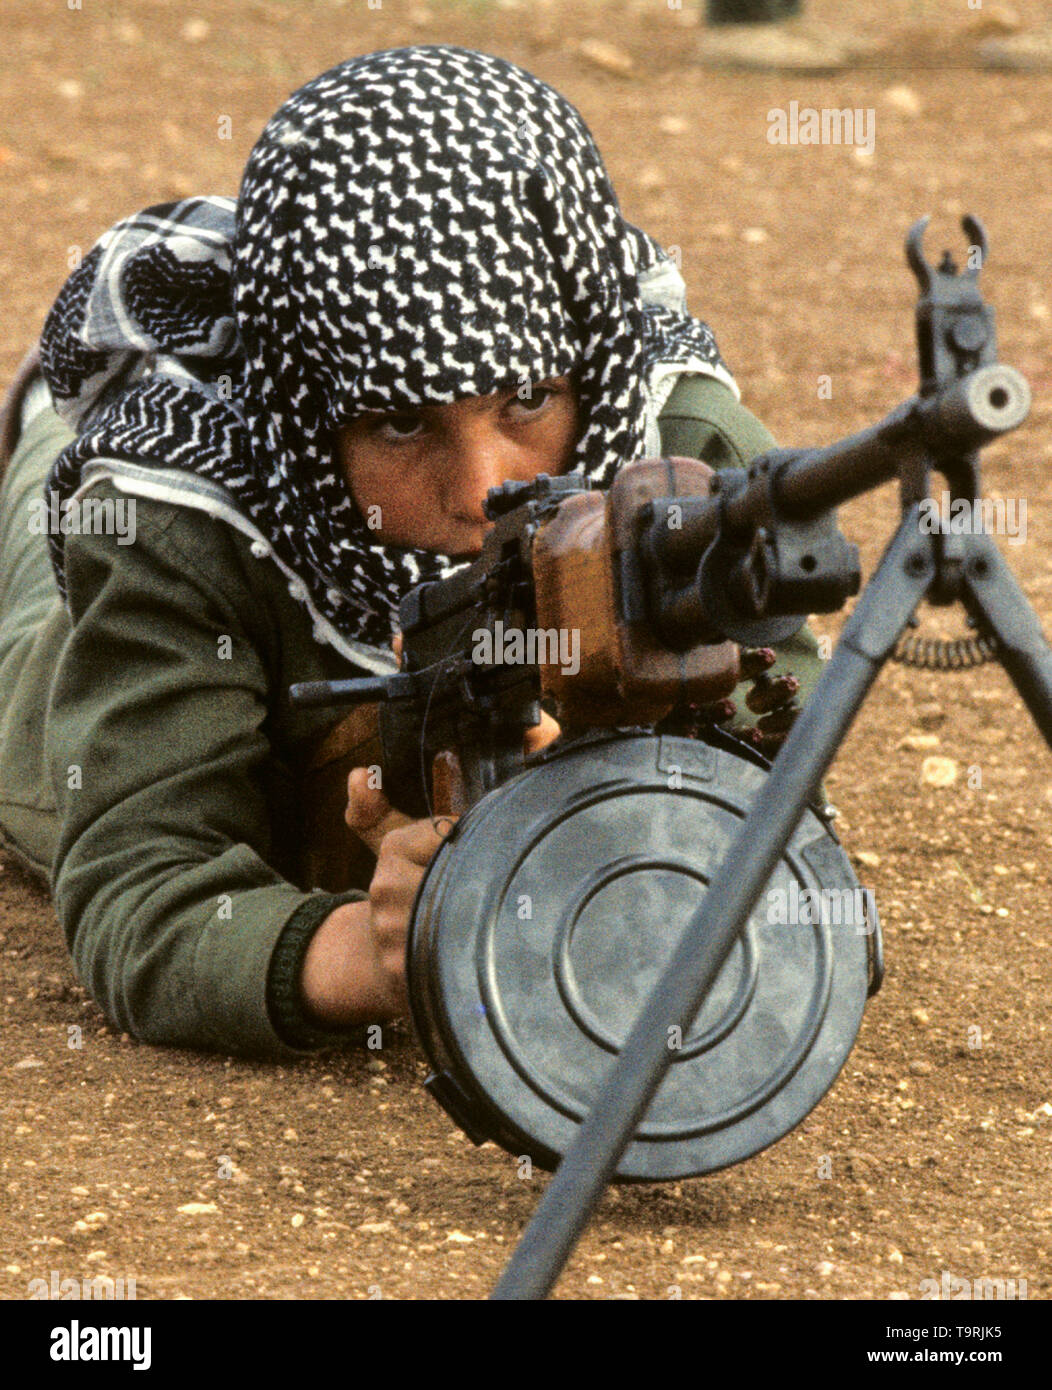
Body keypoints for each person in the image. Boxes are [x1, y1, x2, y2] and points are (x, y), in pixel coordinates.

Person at [0, 45, 821, 1059]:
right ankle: (44, 403)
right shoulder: (180, 512)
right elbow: (147, 891)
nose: (481, 487)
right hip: (58, 666)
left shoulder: (684, 471)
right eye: (397, 424)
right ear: (312, 416)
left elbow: (766, 823)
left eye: (525, 399)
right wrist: (369, 952)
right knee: (39, 541)